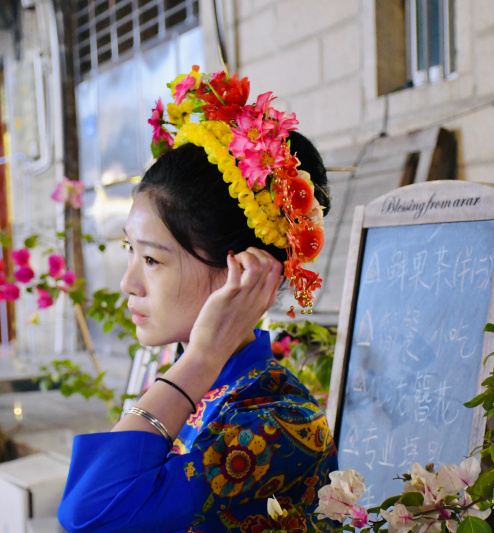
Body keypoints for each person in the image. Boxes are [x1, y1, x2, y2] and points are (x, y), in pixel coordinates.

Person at [58, 68, 338, 533]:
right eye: (130, 250)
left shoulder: (277, 421)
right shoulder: (197, 380)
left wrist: (203, 357)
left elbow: (88, 515)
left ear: (239, 273)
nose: (128, 283)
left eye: (152, 259)